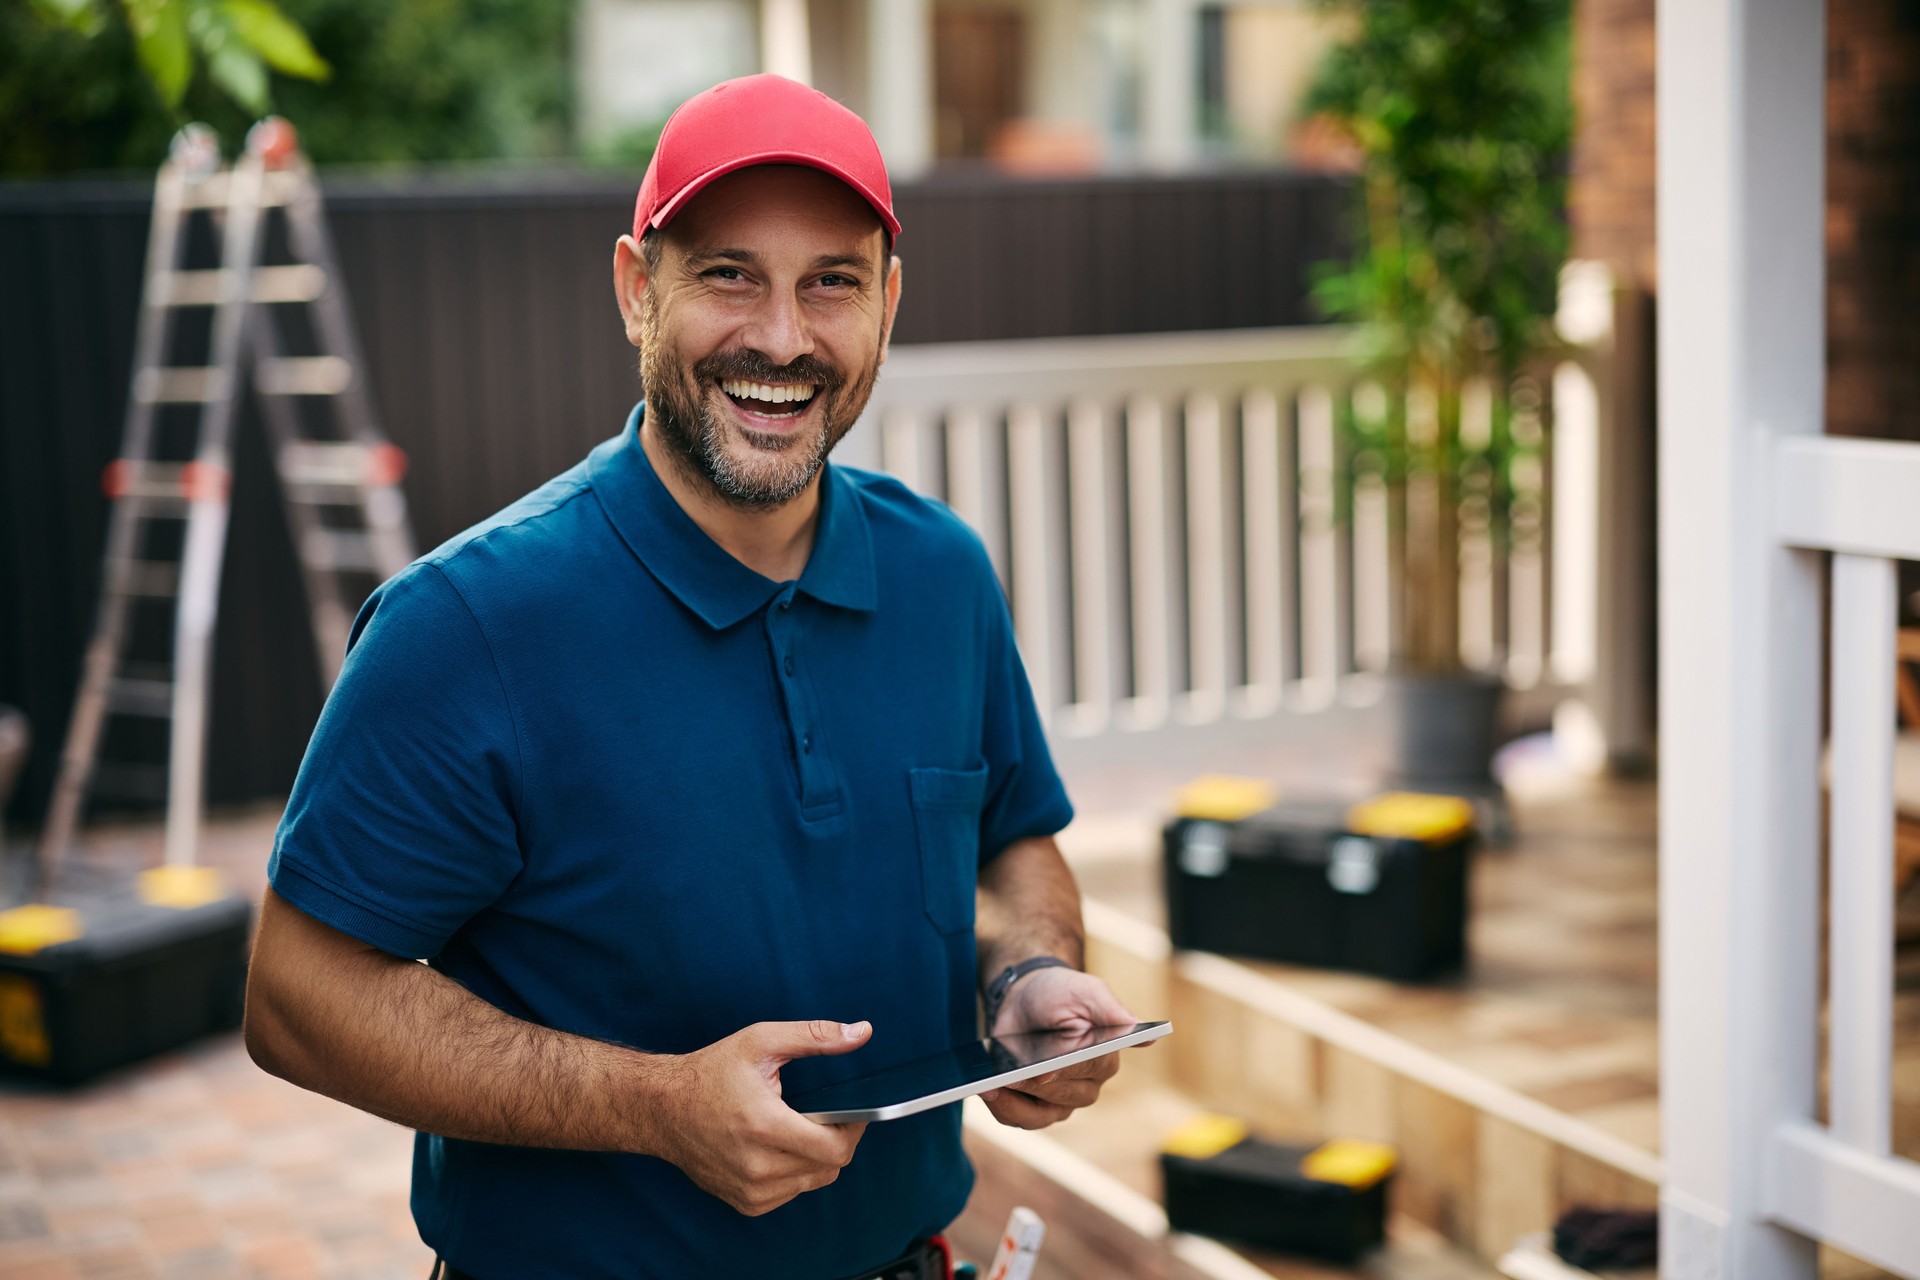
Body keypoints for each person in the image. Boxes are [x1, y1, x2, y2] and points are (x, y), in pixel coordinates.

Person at [242, 74, 1139, 1280]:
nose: (782, 337)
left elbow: (1015, 840)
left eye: (833, 279)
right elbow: (297, 996)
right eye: (728, 273)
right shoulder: (469, 623)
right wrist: (654, 1104)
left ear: (889, 300)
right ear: (634, 289)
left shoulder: (943, 575)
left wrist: (1025, 968)